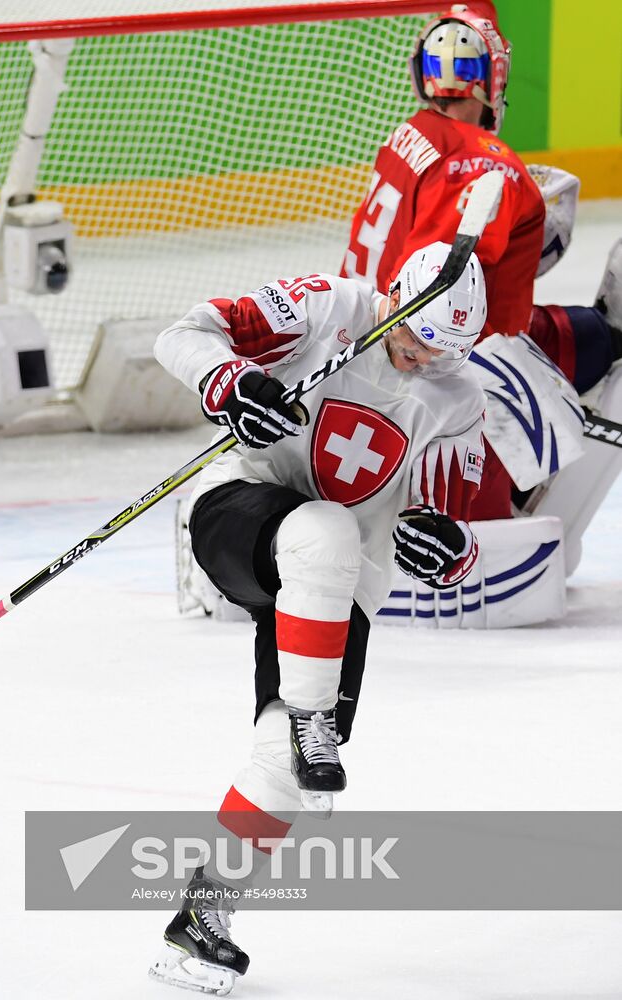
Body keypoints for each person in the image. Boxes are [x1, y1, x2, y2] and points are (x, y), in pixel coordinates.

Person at [149, 242, 488, 993]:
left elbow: (458, 531)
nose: (418, 361)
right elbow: (184, 333)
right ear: (393, 296)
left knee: (284, 769)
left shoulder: (458, 399)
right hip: (242, 515)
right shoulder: (321, 308)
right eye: (412, 336)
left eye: (442, 353)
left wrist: (449, 550)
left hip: (337, 591)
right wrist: (230, 379)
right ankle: (313, 717)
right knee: (324, 527)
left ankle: (203, 917)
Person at [341, 2, 622, 521]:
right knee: (583, 353)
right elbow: (437, 305)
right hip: (425, 370)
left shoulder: (411, 134)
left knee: (585, 331)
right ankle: (484, 510)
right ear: (487, 76)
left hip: (363, 340)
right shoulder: (488, 167)